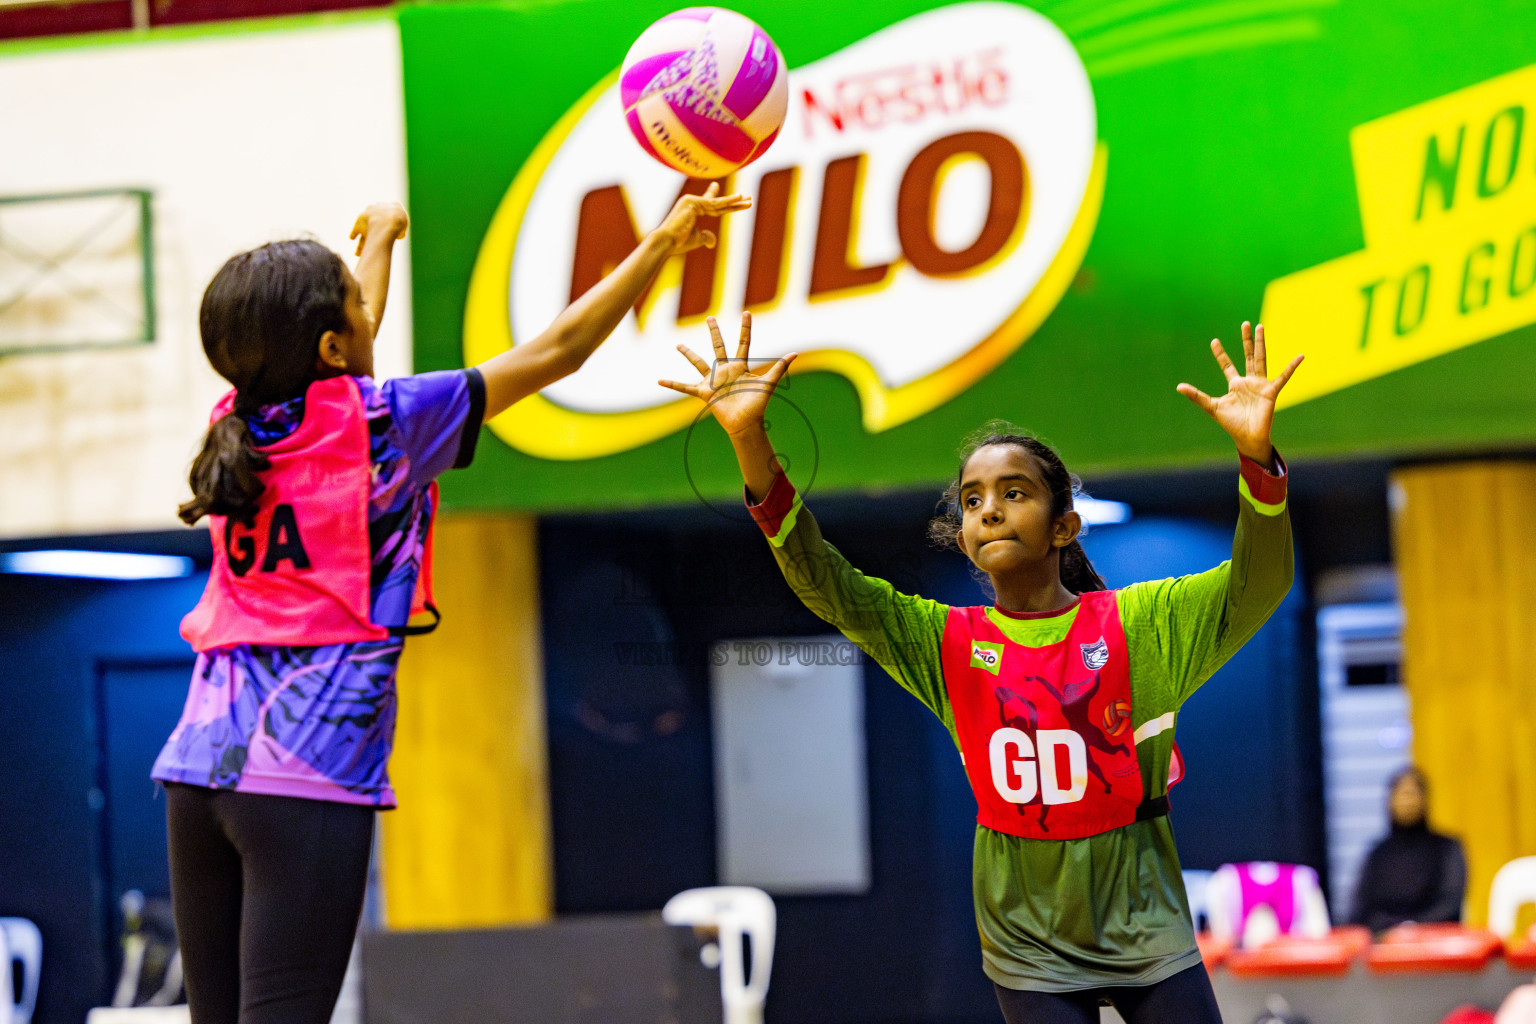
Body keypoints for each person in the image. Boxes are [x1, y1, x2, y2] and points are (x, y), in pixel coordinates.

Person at [153, 186, 749, 1024]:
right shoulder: (386, 424)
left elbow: (336, 353)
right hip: (305, 771)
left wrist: (384, 244)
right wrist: (661, 245)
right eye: (359, 303)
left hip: (197, 765)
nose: (369, 307)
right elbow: (560, 351)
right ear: (332, 341)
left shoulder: (238, 422)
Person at [661, 313, 1303, 1024]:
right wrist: (750, 439)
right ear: (963, 537)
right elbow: (824, 580)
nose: (990, 509)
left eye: (1014, 492)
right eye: (973, 500)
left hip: (1144, 922)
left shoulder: (1139, 624)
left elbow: (1262, 580)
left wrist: (1257, 459)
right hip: (1027, 940)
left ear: (1064, 527)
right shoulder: (947, 642)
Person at [1350, 766, 1467, 933]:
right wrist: (1391, 930)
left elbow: (1450, 904)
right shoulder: (1377, 854)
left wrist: (1411, 929)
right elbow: (1360, 909)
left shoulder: (1447, 848)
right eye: (1400, 793)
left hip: (1434, 941)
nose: (1407, 800)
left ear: (1424, 799)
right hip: (1382, 943)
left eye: (1412, 793)